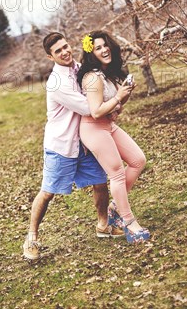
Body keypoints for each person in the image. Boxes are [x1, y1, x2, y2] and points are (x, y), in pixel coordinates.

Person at [23, 32, 124, 261]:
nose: (65, 52)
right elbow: (89, 107)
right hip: (61, 145)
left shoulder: (79, 67)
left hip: (83, 142)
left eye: (65, 46)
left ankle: (103, 225)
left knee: (100, 183)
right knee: (48, 192)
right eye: (58, 51)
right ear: (50, 57)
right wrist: (115, 101)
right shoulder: (56, 82)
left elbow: (98, 89)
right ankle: (31, 237)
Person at [77, 30, 150, 244]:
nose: (104, 49)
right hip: (93, 128)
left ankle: (115, 208)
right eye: (98, 47)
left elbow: (114, 107)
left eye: (106, 45)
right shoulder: (92, 77)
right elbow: (96, 111)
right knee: (116, 173)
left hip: (107, 125)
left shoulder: (108, 74)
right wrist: (118, 96)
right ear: (92, 52)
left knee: (138, 160)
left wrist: (124, 95)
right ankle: (129, 223)